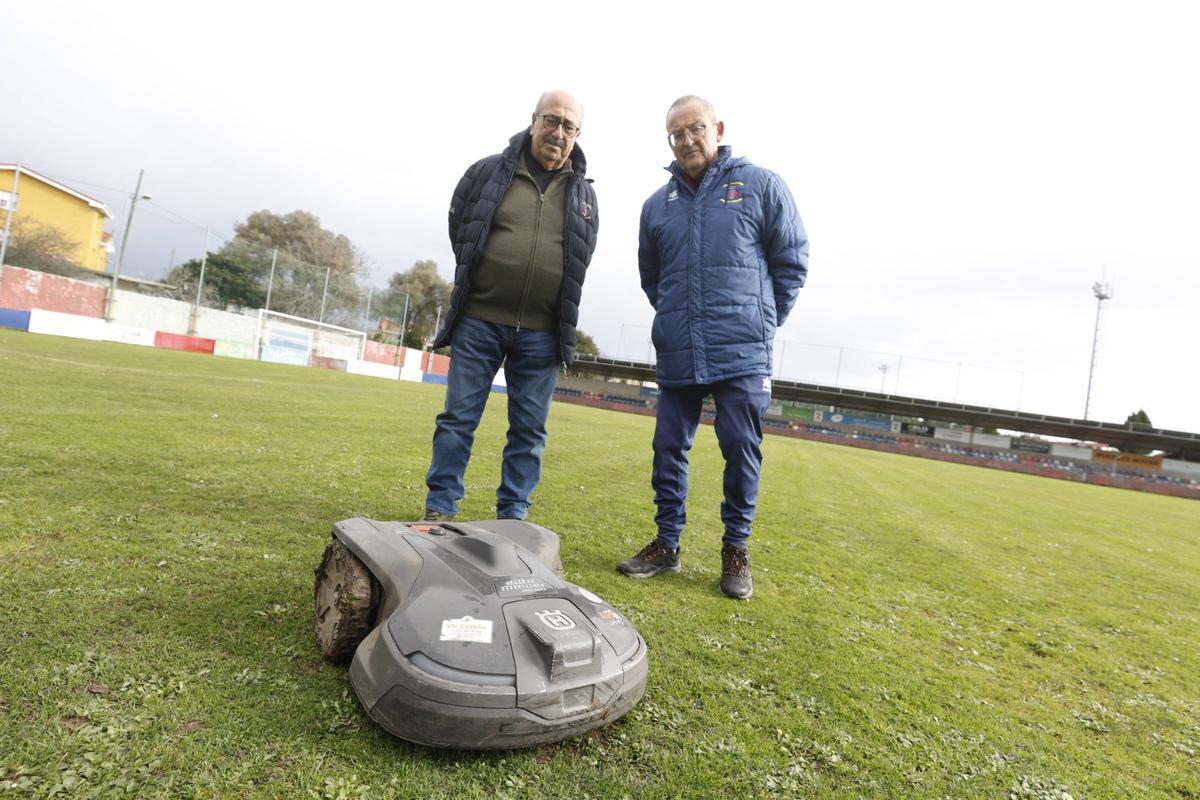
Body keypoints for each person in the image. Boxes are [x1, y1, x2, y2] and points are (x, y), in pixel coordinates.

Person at [617, 95, 808, 599]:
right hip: (680, 347)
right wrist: (678, 317)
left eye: (695, 128)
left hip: (742, 350)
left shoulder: (761, 185)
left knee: (741, 449)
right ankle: (667, 543)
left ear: (717, 128)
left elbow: (791, 263)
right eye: (676, 134)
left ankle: (736, 549)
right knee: (667, 449)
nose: (687, 140)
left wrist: (762, 322)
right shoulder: (657, 205)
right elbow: (651, 278)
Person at [422, 90, 598, 522]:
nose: (558, 132)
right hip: (479, 321)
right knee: (457, 419)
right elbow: (461, 228)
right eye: (551, 120)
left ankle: (512, 516)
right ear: (533, 120)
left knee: (529, 432)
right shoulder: (486, 173)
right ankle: (440, 507)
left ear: (578, 134)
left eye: (568, 126)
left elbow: (579, 257)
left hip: (542, 334)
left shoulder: (586, 197)